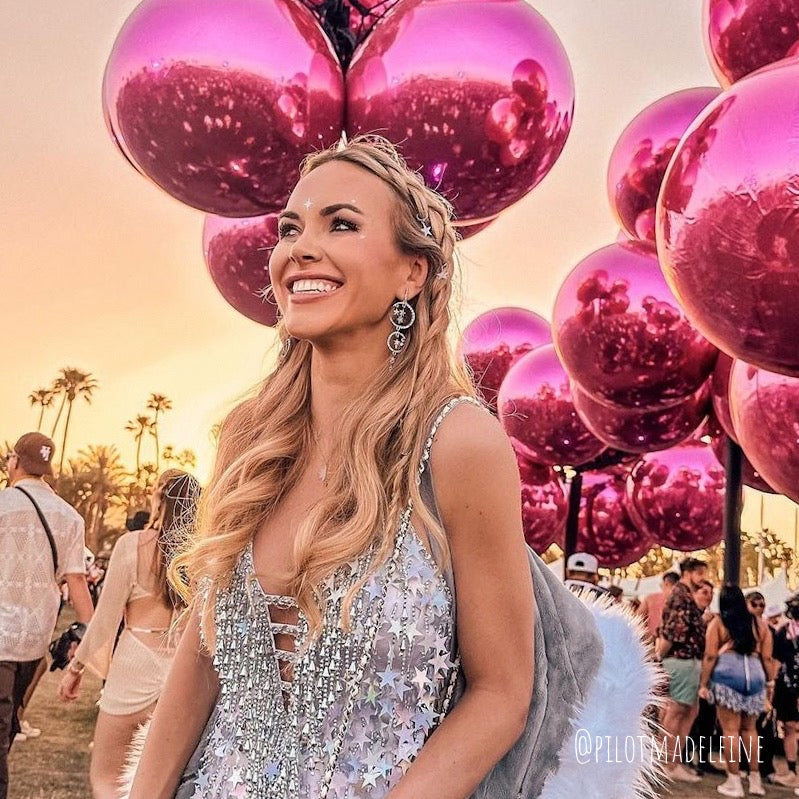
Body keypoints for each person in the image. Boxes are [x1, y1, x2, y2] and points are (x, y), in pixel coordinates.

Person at [127, 136, 541, 799]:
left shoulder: (458, 443)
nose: (299, 248)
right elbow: (202, 656)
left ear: (412, 272)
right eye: (289, 229)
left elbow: (501, 692)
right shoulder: (249, 438)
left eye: (339, 224)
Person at [59, 469, 200, 799]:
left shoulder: (132, 545)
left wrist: (76, 668)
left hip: (136, 659)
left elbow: (106, 619)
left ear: (159, 499)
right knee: (163, 786)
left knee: (107, 779)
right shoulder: (203, 552)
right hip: (182, 669)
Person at [0, 433, 93, 799]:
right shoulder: (70, 516)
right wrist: (90, 642)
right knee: (6, 729)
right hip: (34, 642)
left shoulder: (2, 505)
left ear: (14, 462)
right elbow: (78, 584)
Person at [699, 585, 776, 797]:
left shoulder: (719, 623)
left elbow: (710, 655)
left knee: (730, 730)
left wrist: (704, 684)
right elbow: (767, 657)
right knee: (750, 730)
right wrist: (770, 683)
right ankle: (755, 780)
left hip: (727, 674)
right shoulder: (759, 624)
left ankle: (734, 781)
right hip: (756, 674)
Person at [657, 556, 709, 784]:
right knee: (676, 712)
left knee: (685, 712)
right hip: (681, 660)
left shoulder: (683, 596)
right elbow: (672, 631)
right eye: (700, 573)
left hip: (686, 660)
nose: (703, 579)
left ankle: (672, 762)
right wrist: (660, 655)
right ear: (688, 573)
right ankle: (667, 764)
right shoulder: (681, 597)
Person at [772, 593, 799, 789]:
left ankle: (792, 773)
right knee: (791, 728)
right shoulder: (784, 632)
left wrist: (770, 685)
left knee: (790, 728)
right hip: (788, 688)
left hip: (788, 687)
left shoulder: (784, 631)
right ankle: (792, 772)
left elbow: (775, 663)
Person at [638, 571, 679, 642]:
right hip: (674, 642)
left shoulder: (651, 598)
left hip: (651, 640)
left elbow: (638, 618)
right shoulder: (684, 600)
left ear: (666, 583)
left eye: (661, 585)